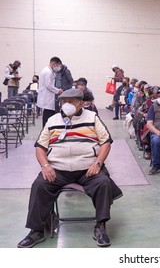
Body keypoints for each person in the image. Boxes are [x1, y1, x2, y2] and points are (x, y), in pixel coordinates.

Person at [17, 88, 123, 248]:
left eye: (70, 102)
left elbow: (106, 142)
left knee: (103, 183)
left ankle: (100, 227)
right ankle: (36, 231)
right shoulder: (52, 120)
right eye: (63, 101)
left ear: (81, 103)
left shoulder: (92, 118)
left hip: (87, 169)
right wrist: (45, 166)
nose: (66, 105)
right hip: (58, 170)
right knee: (39, 186)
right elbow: (40, 147)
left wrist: (98, 163)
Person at [37, 57, 64, 127]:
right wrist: (58, 91)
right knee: (48, 115)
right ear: (53, 64)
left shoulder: (49, 71)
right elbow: (48, 85)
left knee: (49, 114)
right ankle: (46, 130)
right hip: (47, 97)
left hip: (48, 97)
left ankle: (48, 129)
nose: (58, 67)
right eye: (58, 65)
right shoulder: (48, 72)